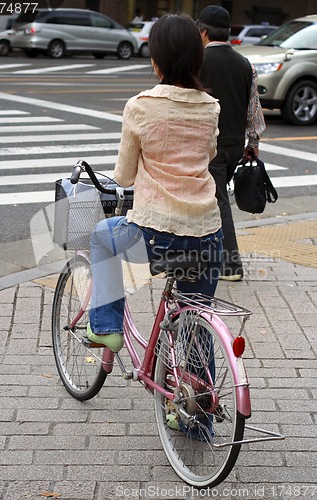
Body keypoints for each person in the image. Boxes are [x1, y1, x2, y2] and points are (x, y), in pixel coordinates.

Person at [87, 13, 223, 353]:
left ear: (156, 59)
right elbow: (207, 155)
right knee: (196, 321)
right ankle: (200, 399)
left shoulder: (141, 106)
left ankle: (106, 327)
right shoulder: (211, 108)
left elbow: (124, 176)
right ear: (197, 56)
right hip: (208, 234)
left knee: (101, 236)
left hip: (155, 233)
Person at [196, 5, 266, 281]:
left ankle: (230, 265)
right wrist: (254, 141)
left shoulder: (196, 61)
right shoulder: (244, 64)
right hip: (235, 144)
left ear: (203, 31)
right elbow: (254, 109)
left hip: (208, 143)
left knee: (218, 201)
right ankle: (206, 257)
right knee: (214, 198)